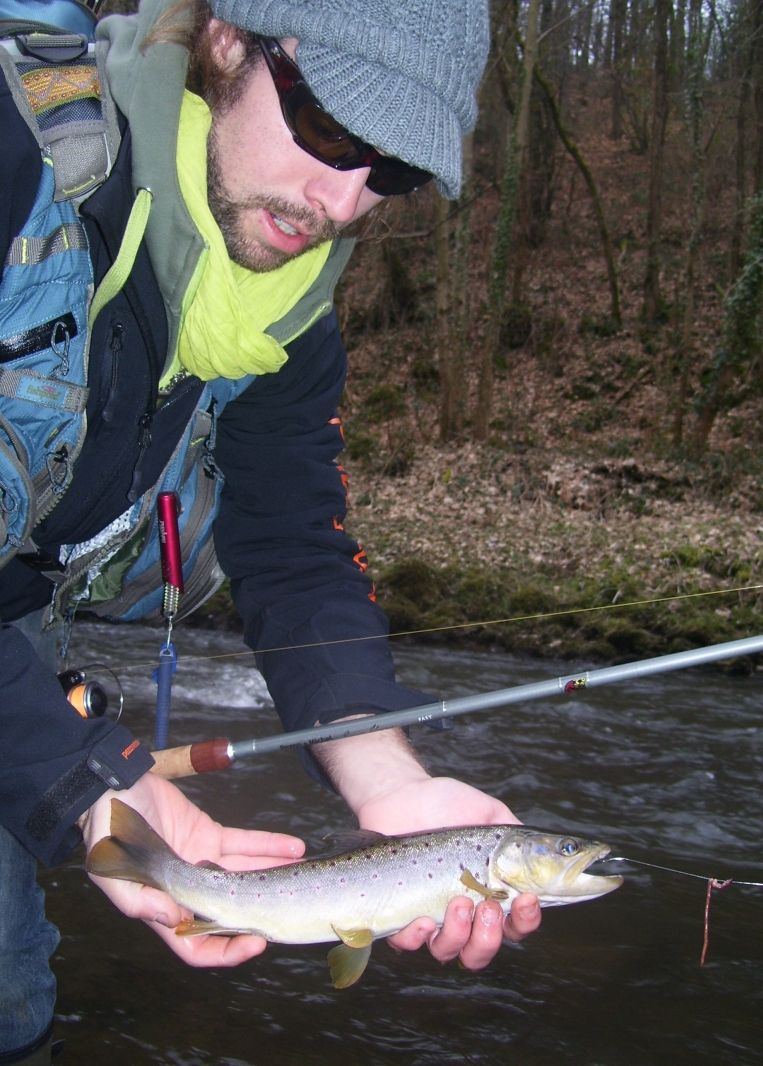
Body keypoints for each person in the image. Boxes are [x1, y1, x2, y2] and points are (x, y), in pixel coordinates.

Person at [0, 0, 541, 1060]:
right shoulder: (16, 160)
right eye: (335, 129)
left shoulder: (284, 308)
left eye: (390, 172)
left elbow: (291, 547)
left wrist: (386, 775)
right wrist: (76, 778)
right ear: (223, 41)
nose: (341, 200)